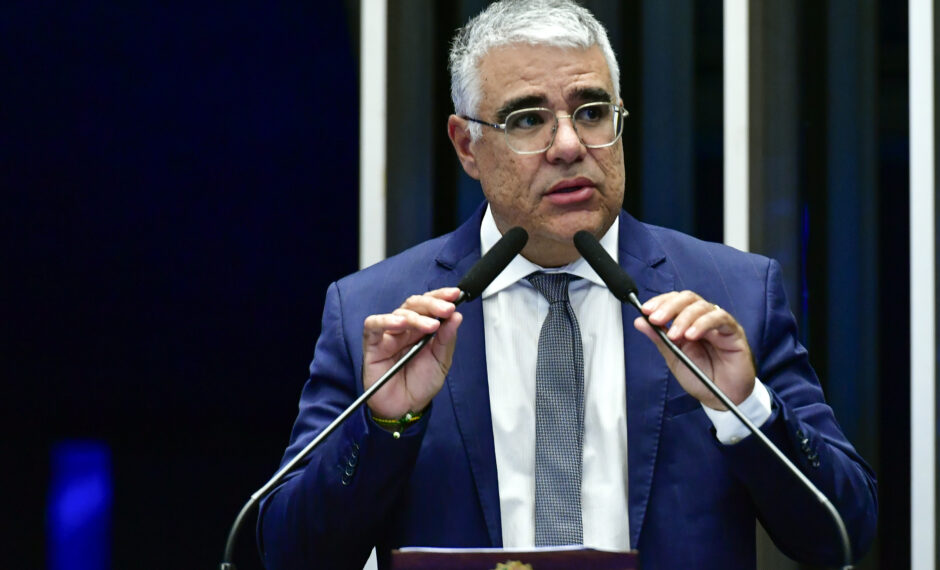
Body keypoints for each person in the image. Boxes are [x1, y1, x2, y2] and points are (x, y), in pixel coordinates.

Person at [257, 1, 877, 568]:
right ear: (466, 145)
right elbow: (289, 551)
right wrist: (386, 428)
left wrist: (747, 410)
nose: (570, 145)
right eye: (528, 119)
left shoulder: (732, 294)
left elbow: (843, 532)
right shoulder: (374, 312)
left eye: (592, 111)